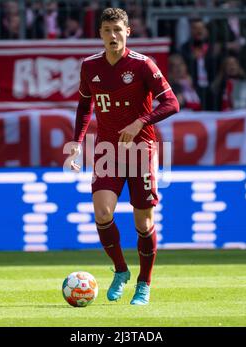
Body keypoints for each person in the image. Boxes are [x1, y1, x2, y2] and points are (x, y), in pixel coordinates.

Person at [66, 8, 179, 305]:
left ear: (127, 32)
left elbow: (171, 103)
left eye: (118, 29)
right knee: (102, 213)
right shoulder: (90, 66)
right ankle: (120, 270)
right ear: (100, 34)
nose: (113, 35)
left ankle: (144, 283)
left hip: (141, 150)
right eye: (107, 30)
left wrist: (141, 121)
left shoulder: (143, 65)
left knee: (143, 223)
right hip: (107, 151)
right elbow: (84, 106)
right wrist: (77, 142)